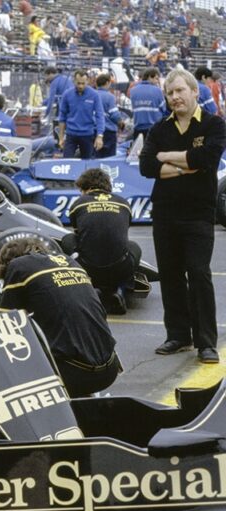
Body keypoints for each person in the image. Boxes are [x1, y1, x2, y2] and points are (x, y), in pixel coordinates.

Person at [139, 68, 226, 364]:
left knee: (199, 273)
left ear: (195, 92)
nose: (175, 97)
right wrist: (183, 164)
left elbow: (206, 159)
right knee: (171, 275)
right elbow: (146, 166)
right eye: (170, 93)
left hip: (198, 213)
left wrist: (167, 156)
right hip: (164, 212)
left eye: (179, 91)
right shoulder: (159, 129)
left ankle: (205, 342)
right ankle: (178, 335)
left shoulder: (214, 124)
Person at [0, 238, 120, 397]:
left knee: (9, 354)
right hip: (110, 369)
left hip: (74, 375)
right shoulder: (69, 262)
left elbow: (1, 324)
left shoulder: (18, 265)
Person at [65, 168, 140, 314]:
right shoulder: (123, 203)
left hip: (89, 267)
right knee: (134, 246)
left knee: (68, 239)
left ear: (86, 188)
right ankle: (120, 290)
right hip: (120, 267)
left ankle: (89, 288)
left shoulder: (79, 204)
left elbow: (78, 234)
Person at [58, 69, 104, 159]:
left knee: (87, 164)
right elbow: (62, 117)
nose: (80, 86)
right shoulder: (67, 94)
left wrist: (99, 136)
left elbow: (100, 116)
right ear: (74, 81)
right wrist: (61, 137)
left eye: (83, 83)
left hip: (87, 135)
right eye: (78, 83)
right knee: (67, 162)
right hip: (71, 135)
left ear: (88, 81)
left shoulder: (94, 95)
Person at [130, 67, 167, 141]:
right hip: (154, 128)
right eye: (156, 78)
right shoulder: (157, 91)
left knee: (139, 151)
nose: (157, 81)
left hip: (138, 128)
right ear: (150, 77)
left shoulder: (133, 90)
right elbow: (164, 109)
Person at [94, 73, 123, 158]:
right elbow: (114, 115)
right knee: (109, 159)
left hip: (94, 130)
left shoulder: (92, 95)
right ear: (107, 83)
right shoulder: (110, 96)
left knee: (95, 157)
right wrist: (120, 123)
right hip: (108, 131)